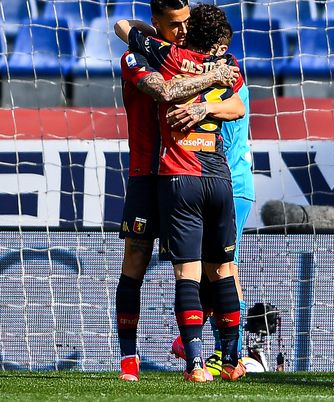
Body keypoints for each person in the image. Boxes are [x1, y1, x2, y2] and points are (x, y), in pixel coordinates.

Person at [115, 4, 247, 382]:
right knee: (136, 259)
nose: (184, 30)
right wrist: (213, 76)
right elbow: (164, 91)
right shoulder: (136, 57)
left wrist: (210, 92)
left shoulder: (196, 57)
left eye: (188, 22)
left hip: (185, 172)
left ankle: (221, 356)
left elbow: (236, 102)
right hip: (148, 172)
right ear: (157, 24)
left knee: (209, 265)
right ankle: (129, 360)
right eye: (175, 24)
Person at [167, 59, 255, 376]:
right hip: (226, 181)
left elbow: (224, 138)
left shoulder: (222, 81)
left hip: (224, 180)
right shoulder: (226, 78)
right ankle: (222, 351)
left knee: (222, 270)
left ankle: (227, 353)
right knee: (216, 270)